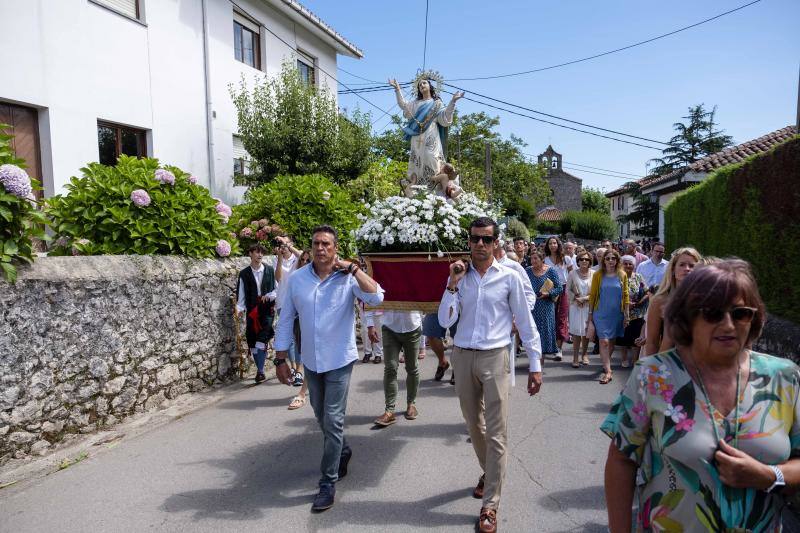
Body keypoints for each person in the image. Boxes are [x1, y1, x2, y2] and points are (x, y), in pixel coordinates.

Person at [603, 259, 800, 532]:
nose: (728, 325)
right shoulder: (653, 377)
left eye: (741, 313)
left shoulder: (784, 377)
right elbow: (622, 460)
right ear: (687, 317)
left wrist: (769, 476)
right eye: (712, 313)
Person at [438, 217, 543, 533]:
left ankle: (490, 506)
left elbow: (525, 321)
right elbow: (445, 318)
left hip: (496, 356)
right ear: (468, 242)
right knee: (474, 425)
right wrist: (452, 284)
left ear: (496, 242)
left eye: (486, 239)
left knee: (497, 432)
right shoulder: (460, 277)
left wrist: (535, 364)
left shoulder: (509, 277)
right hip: (463, 356)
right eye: (475, 239)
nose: (480, 245)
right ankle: (490, 471)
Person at [274, 225, 384, 512]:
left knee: (333, 419)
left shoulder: (348, 279)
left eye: (326, 244)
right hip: (311, 361)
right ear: (310, 248)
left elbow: (377, 297)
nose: (320, 249)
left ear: (335, 249)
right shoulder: (297, 280)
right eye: (316, 244)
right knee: (321, 415)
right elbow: (286, 319)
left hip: (339, 360)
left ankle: (327, 482)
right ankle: (343, 450)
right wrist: (280, 359)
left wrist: (354, 270)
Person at [390, 76, 463, 192]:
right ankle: (416, 188)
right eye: (420, 85)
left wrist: (453, 102)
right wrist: (397, 89)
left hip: (431, 135)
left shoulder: (437, 104)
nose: (422, 85)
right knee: (417, 160)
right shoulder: (415, 104)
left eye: (424, 83)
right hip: (417, 136)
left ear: (430, 86)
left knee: (432, 157)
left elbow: (445, 119)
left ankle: (435, 188)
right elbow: (403, 105)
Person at [643, 247, 701, 356]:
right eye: (682, 265)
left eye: (692, 266)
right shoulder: (659, 301)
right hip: (668, 363)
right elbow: (652, 342)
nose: (687, 269)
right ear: (673, 269)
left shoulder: (704, 300)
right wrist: (652, 370)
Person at [369, 310, 422, 426]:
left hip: (412, 327)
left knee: (412, 368)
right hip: (390, 327)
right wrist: (370, 324)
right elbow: (371, 297)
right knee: (390, 368)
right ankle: (389, 411)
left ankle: (411, 404)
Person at [235, 244, 277, 384]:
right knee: (252, 339)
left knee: (262, 339)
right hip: (252, 311)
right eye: (257, 252)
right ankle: (260, 370)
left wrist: (270, 296)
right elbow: (241, 294)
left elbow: (277, 289)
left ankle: (260, 371)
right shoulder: (244, 273)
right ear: (250, 254)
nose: (260, 255)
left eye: (262, 253)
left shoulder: (270, 271)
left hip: (266, 310)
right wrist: (239, 308)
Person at [587, 249, 629, 384]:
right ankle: (608, 371)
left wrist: (626, 315)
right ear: (603, 260)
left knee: (611, 342)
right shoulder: (598, 275)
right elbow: (593, 295)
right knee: (604, 341)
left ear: (617, 260)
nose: (610, 261)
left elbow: (626, 295)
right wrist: (590, 315)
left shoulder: (622, 275)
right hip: (601, 313)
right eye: (608, 258)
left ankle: (606, 364)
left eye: (613, 258)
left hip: (617, 314)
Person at [274, 235, 304, 386]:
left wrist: (288, 245)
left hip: (297, 302)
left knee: (299, 339)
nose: (283, 245)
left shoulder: (297, 259)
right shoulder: (276, 260)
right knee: (289, 340)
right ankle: (292, 368)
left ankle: (299, 370)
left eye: (286, 242)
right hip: (282, 302)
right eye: (281, 243)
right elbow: (278, 279)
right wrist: (279, 258)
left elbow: (305, 256)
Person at [526, 250, 563, 360]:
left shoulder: (550, 271)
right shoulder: (527, 271)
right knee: (533, 332)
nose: (533, 261)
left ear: (542, 259)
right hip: (532, 306)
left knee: (543, 332)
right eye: (531, 259)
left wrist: (548, 293)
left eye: (536, 258)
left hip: (546, 306)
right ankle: (534, 359)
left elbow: (559, 288)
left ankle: (540, 360)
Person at [287, 250, 312, 410]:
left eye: (307, 260)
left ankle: (303, 392)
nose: (303, 262)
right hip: (299, 322)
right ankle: (306, 387)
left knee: (311, 356)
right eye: (301, 260)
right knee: (306, 354)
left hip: (317, 326)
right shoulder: (296, 278)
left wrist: (289, 245)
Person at [616, 255, 647, 368]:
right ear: (621, 265)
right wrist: (626, 304)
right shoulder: (617, 277)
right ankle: (624, 359)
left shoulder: (638, 277)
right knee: (623, 338)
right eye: (625, 263)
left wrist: (638, 303)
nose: (628, 266)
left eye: (630, 264)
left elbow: (647, 292)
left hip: (637, 313)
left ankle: (635, 360)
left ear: (634, 266)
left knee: (635, 338)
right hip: (622, 312)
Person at [544, 236, 571, 358]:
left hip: (564, 288)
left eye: (554, 243)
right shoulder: (545, 260)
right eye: (550, 243)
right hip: (550, 289)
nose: (553, 245)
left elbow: (571, 274)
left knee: (561, 318)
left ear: (558, 244)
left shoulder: (566, 258)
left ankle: (559, 349)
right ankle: (552, 345)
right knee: (551, 317)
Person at [567, 251, 593, 367]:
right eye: (581, 259)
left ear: (590, 261)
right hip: (576, 307)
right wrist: (577, 299)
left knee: (586, 332)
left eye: (586, 259)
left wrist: (585, 298)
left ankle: (585, 355)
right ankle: (575, 357)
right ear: (577, 261)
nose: (584, 261)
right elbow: (568, 290)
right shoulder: (572, 273)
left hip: (588, 306)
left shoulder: (594, 274)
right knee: (577, 333)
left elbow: (597, 292)